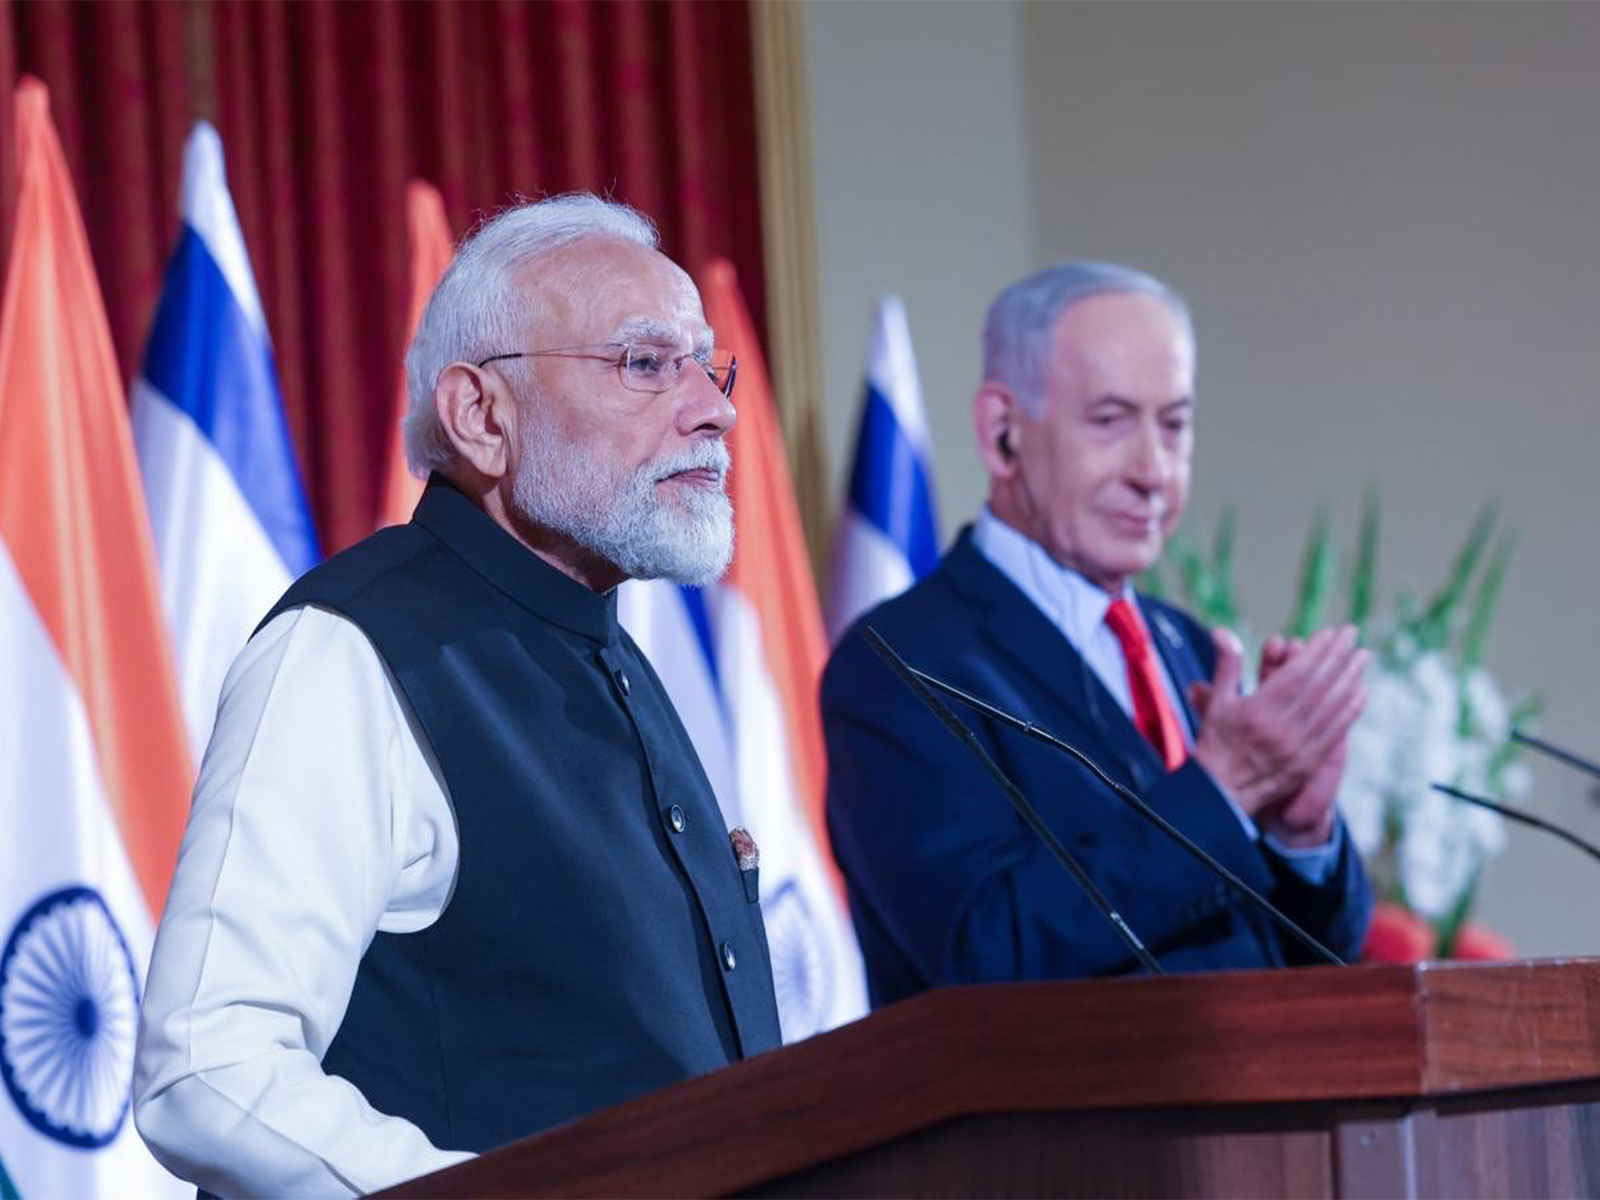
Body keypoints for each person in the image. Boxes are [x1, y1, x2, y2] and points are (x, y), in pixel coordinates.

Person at [133, 195, 782, 1197]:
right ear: (482, 415)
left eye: (706, 364)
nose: (713, 406)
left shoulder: (612, 655)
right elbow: (207, 1071)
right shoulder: (350, 649)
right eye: (646, 363)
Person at [822, 261, 1374, 1006]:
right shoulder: (902, 667)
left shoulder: (1189, 647)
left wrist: (1298, 834)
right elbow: (983, 953)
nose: (1155, 470)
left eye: (1174, 425)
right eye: (1111, 421)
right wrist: (1222, 792)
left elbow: (1304, 956)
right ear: (1002, 433)